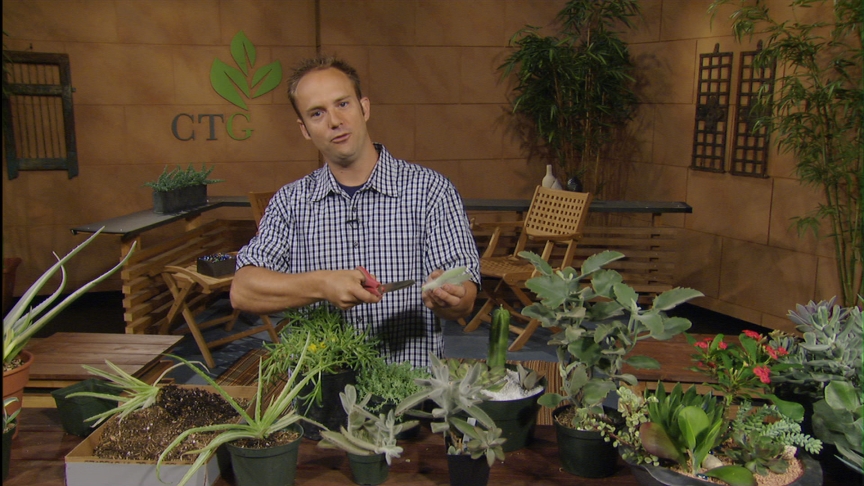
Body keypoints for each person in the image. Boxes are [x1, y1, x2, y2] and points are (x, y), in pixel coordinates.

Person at [230, 56, 480, 368]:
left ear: (364, 108)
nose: (334, 121)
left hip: (411, 391)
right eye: (317, 113)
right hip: (321, 394)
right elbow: (243, 290)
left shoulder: (430, 190)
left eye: (343, 104)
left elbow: (465, 293)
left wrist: (451, 298)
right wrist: (322, 285)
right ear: (304, 129)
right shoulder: (290, 202)